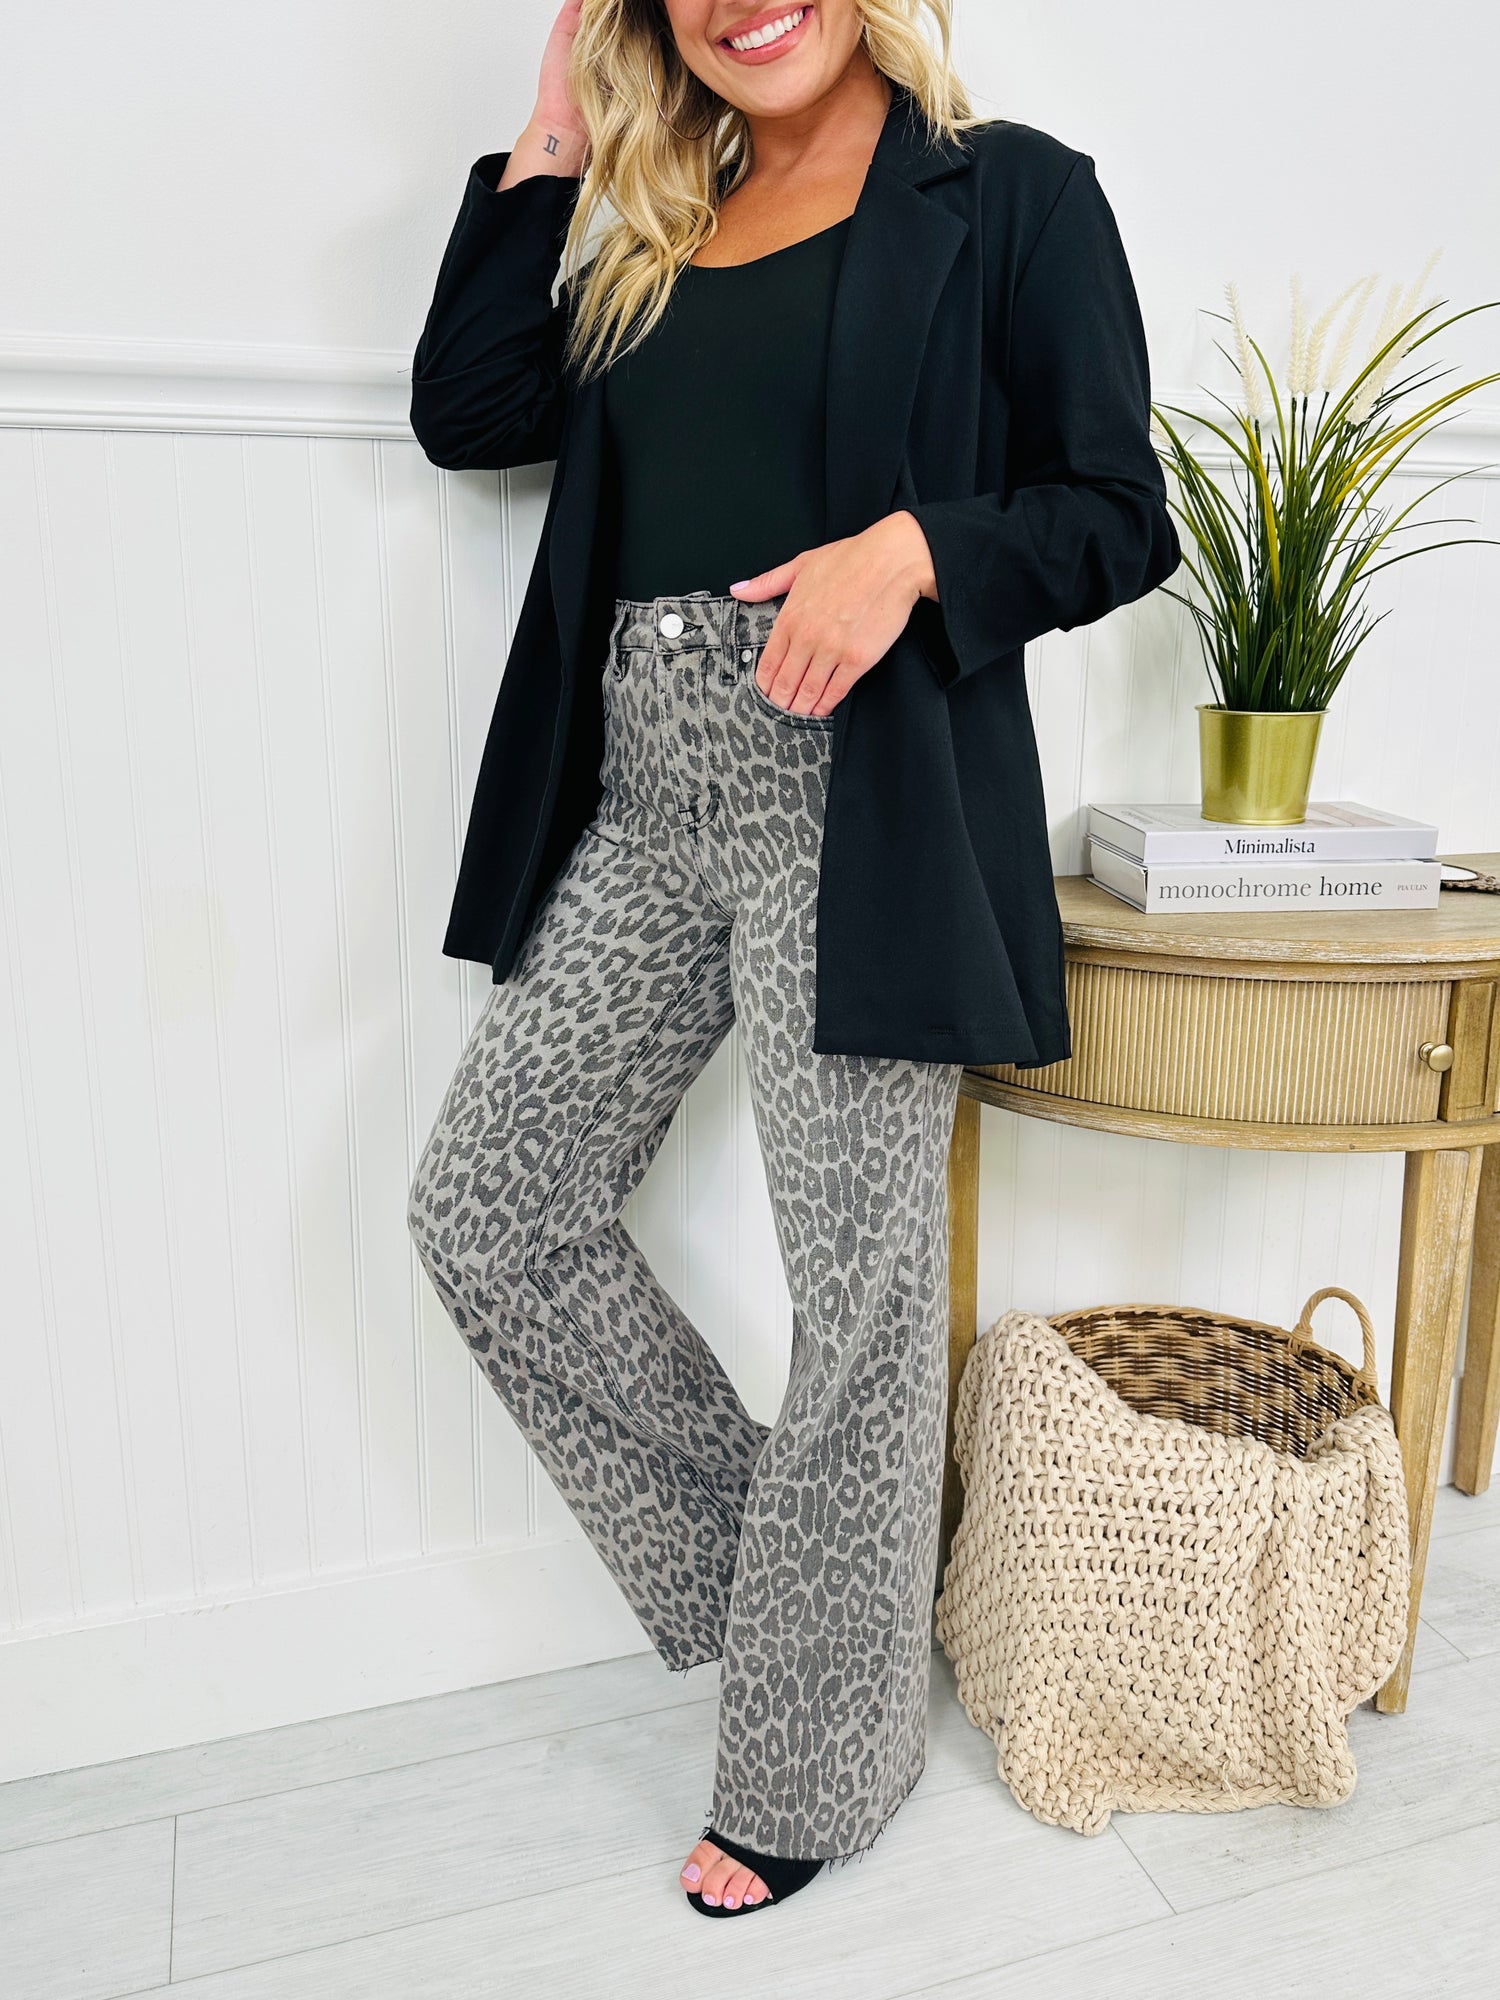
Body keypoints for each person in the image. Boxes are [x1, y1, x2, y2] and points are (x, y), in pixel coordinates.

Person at [405, 0, 1179, 1919]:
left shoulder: (1009, 196)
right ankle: (817, 1592)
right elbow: (468, 411)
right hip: (647, 786)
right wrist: (553, 144)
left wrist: (912, 551)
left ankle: (818, 1759)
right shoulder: (658, 222)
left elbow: (1117, 513)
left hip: (858, 789)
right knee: (487, 1211)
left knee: (857, 1294)